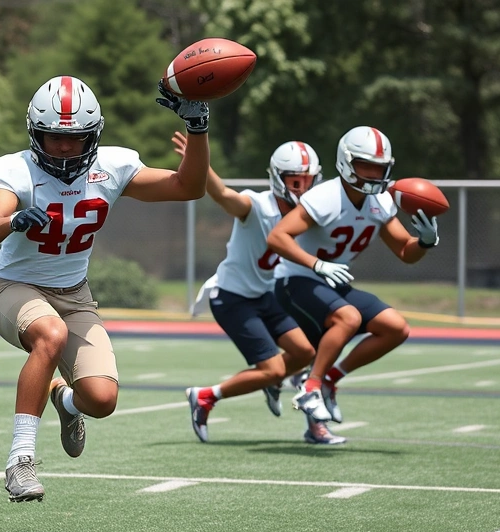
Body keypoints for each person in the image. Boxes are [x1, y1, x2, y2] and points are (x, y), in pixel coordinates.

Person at [0, 76, 211, 502]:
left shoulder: (113, 166)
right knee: (50, 334)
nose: (65, 148)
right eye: (54, 138)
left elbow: (188, 187)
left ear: (94, 136)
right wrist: (12, 221)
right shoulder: (11, 171)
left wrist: (198, 128)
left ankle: (63, 401)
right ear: (34, 133)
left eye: (76, 138)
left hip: (74, 293)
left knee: (101, 399)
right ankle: (20, 460)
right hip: (14, 284)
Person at [267, 126, 439, 426]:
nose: (373, 173)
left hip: (331, 282)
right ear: (347, 163)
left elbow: (404, 251)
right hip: (295, 279)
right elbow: (278, 237)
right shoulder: (325, 196)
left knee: (395, 327)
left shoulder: (381, 201)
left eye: (379, 167)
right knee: (347, 318)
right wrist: (316, 265)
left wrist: (423, 242)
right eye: (365, 166)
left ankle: (331, 379)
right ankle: (310, 388)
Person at [180, 135, 345, 445]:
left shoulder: (308, 214)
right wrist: (199, 159)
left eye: (308, 181)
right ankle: (205, 397)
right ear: (278, 179)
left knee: (304, 352)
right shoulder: (256, 206)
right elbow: (221, 193)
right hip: (232, 297)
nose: (303, 188)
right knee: (270, 369)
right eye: (295, 181)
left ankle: (273, 381)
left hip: (264, 295)